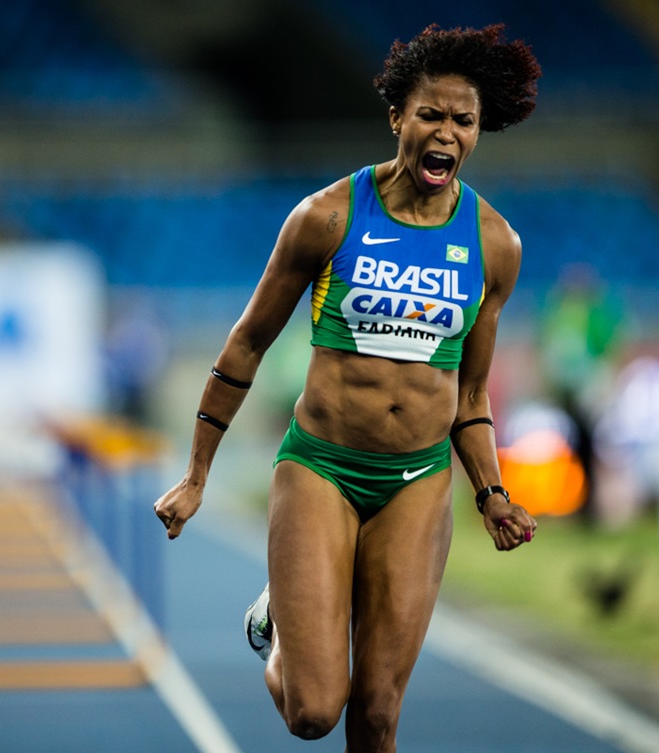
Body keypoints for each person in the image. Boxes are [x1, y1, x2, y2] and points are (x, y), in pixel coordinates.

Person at [154, 23, 541, 752]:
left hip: (417, 479)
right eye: (432, 114)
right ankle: (281, 635)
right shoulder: (327, 218)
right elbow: (246, 344)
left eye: (465, 121)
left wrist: (492, 494)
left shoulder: (494, 245)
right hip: (321, 467)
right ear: (398, 115)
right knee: (314, 712)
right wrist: (196, 474)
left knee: (379, 714)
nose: (447, 134)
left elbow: (472, 395)